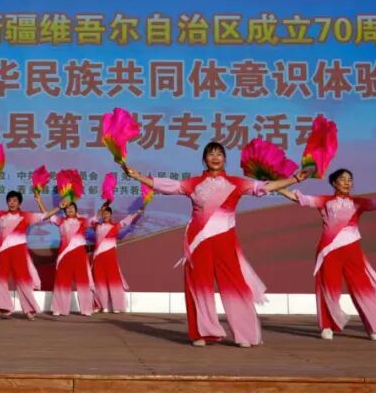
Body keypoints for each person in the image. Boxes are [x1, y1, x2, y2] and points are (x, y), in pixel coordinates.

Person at [124, 142, 305, 347]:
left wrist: (295, 179)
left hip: (225, 240)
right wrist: (138, 176)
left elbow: (264, 187)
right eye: (211, 154)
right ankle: (202, 333)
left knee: (235, 286)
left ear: (225, 159)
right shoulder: (194, 183)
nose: (215, 157)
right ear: (204, 159)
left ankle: (245, 334)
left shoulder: (236, 183)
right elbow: (168, 186)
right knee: (199, 285)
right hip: (198, 242)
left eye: (219, 154)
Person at [278, 168, 376, 341]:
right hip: (329, 251)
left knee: (362, 287)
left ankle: (373, 327)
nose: (347, 182)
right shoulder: (325, 201)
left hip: (352, 250)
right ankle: (327, 326)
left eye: (350, 180)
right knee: (329, 287)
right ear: (334, 183)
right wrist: (277, 187)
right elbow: (298, 198)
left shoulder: (357, 203)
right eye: (343, 179)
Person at [0, 190, 59, 320]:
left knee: (23, 281)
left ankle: (29, 310)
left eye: (15, 200)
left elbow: (46, 216)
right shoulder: (0, 214)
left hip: (19, 253)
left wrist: (60, 207)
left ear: (19, 203)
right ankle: (0, 309)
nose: (12, 203)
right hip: (2, 252)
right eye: (10, 200)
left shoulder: (25, 216)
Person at [35, 193, 93, 317]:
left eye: (72, 207)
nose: (69, 209)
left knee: (83, 281)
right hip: (64, 256)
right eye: (67, 208)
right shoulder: (61, 221)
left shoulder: (83, 221)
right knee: (62, 281)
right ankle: (59, 308)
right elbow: (46, 214)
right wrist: (39, 201)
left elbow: (96, 220)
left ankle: (87, 309)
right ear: (64, 210)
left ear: (76, 210)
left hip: (79, 255)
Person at [89, 199, 145, 314]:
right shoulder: (97, 225)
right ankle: (103, 305)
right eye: (104, 213)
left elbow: (127, 220)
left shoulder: (115, 226)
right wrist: (102, 208)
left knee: (114, 281)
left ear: (111, 215)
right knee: (99, 282)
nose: (105, 215)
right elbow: (92, 220)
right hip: (98, 258)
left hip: (110, 258)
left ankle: (117, 305)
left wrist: (137, 213)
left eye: (107, 213)